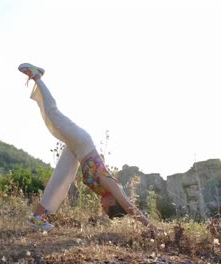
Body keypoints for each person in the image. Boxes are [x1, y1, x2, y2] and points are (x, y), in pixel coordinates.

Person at [18, 63, 158, 232]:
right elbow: (129, 207)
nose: (102, 208)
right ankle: (37, 76)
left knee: (61, 179)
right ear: (113, 202)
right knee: (54, 115)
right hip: (82, 143)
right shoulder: (110, 185)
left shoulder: (102, 191)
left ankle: (38, 217)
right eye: (106, 209)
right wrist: (153, 228)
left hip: (78, 151)